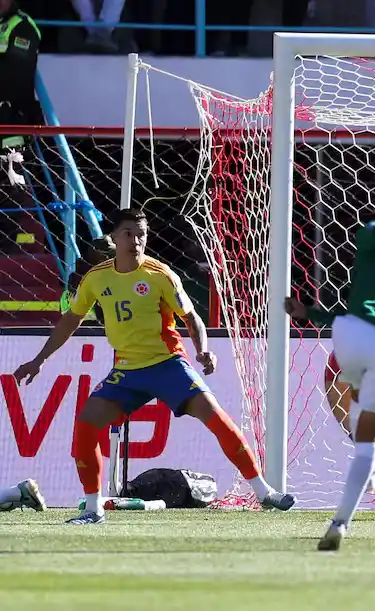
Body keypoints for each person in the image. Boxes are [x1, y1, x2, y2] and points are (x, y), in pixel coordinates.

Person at [13, 209, 295, 524]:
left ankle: (263, 491)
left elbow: (191, 317)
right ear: (114, 238)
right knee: (86, 424)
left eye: (141, 235)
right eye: (128, 234)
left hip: (168, 365)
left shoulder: (160, 275)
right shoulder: (96, 278)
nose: (136, 241)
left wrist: (203, 350)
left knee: (216, 418)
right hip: (126, 371)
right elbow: (70, 319)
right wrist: (38, 360)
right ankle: (93, 509)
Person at [285, 206, 375, 551]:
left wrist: (309, 313)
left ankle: (374, 467)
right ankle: (340, 522)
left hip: (349, 336)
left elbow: (372, 231)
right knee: (368, 444)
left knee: (357, 403)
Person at [0, 0, 43, 255]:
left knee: (12, 185)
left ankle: (14, 246)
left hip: (10, 120)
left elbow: (14, 74)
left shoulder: (23, 26)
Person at [61, 235, 116, 324]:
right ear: (100, 257)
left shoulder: (74, 277)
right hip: (98, 326)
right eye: (110, 256)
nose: (112, 259)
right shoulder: (100, 279)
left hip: (71, 325)